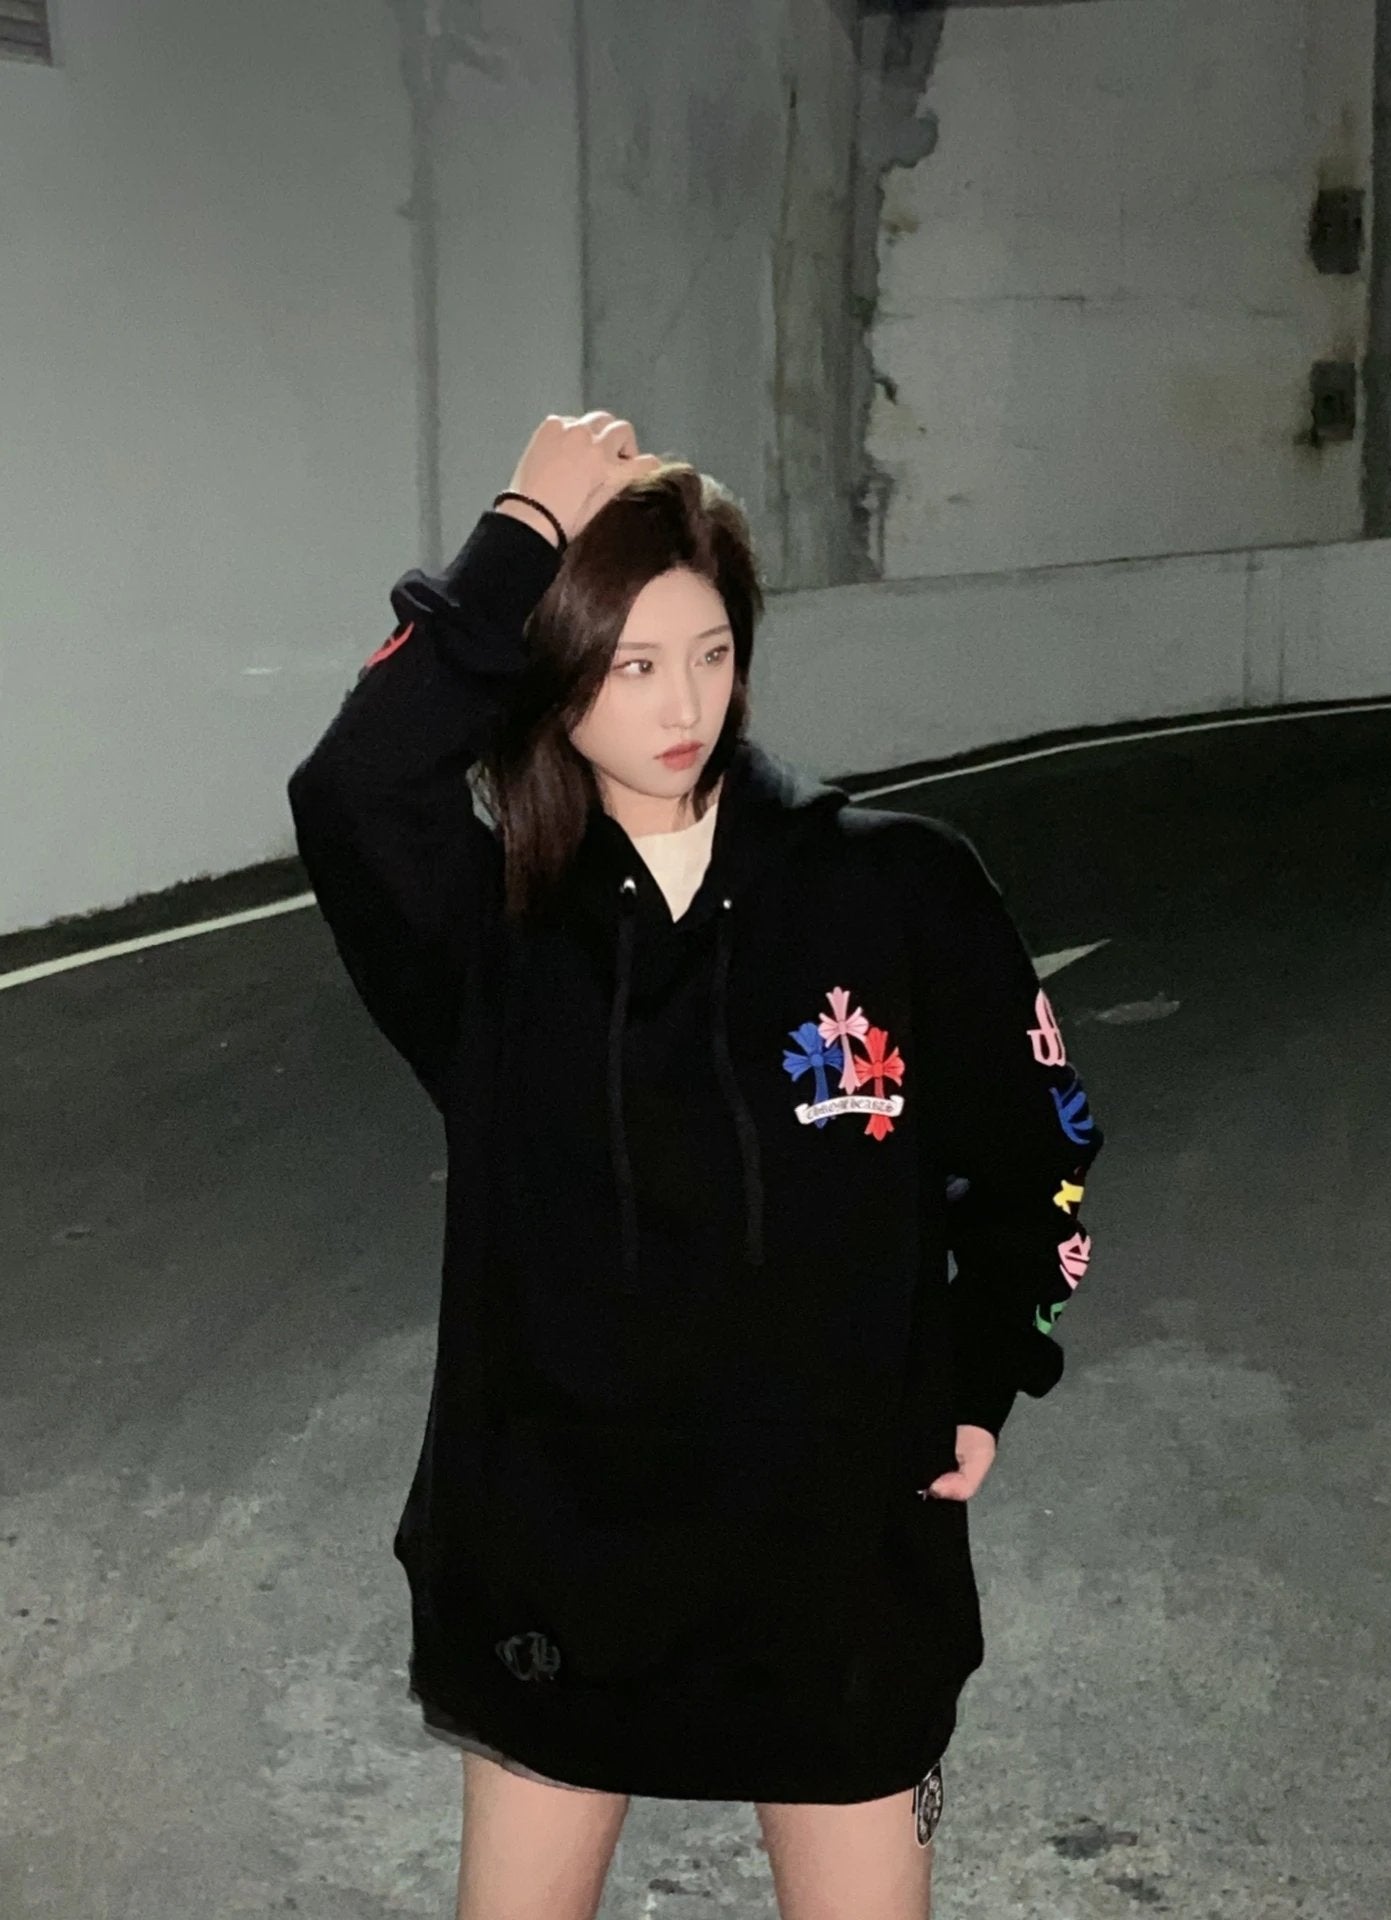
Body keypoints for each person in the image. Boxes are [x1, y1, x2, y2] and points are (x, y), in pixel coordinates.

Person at [287, 411, 1103, 1920]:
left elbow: (1041, 1146)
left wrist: (991, 1369)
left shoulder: (895, 889)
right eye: (629, 663)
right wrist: (523, 531)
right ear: (551, 675)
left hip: (834, 1565)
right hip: (557, 1560)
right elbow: (351, 789)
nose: (683, 704)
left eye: (712, 652)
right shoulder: (490, 937)